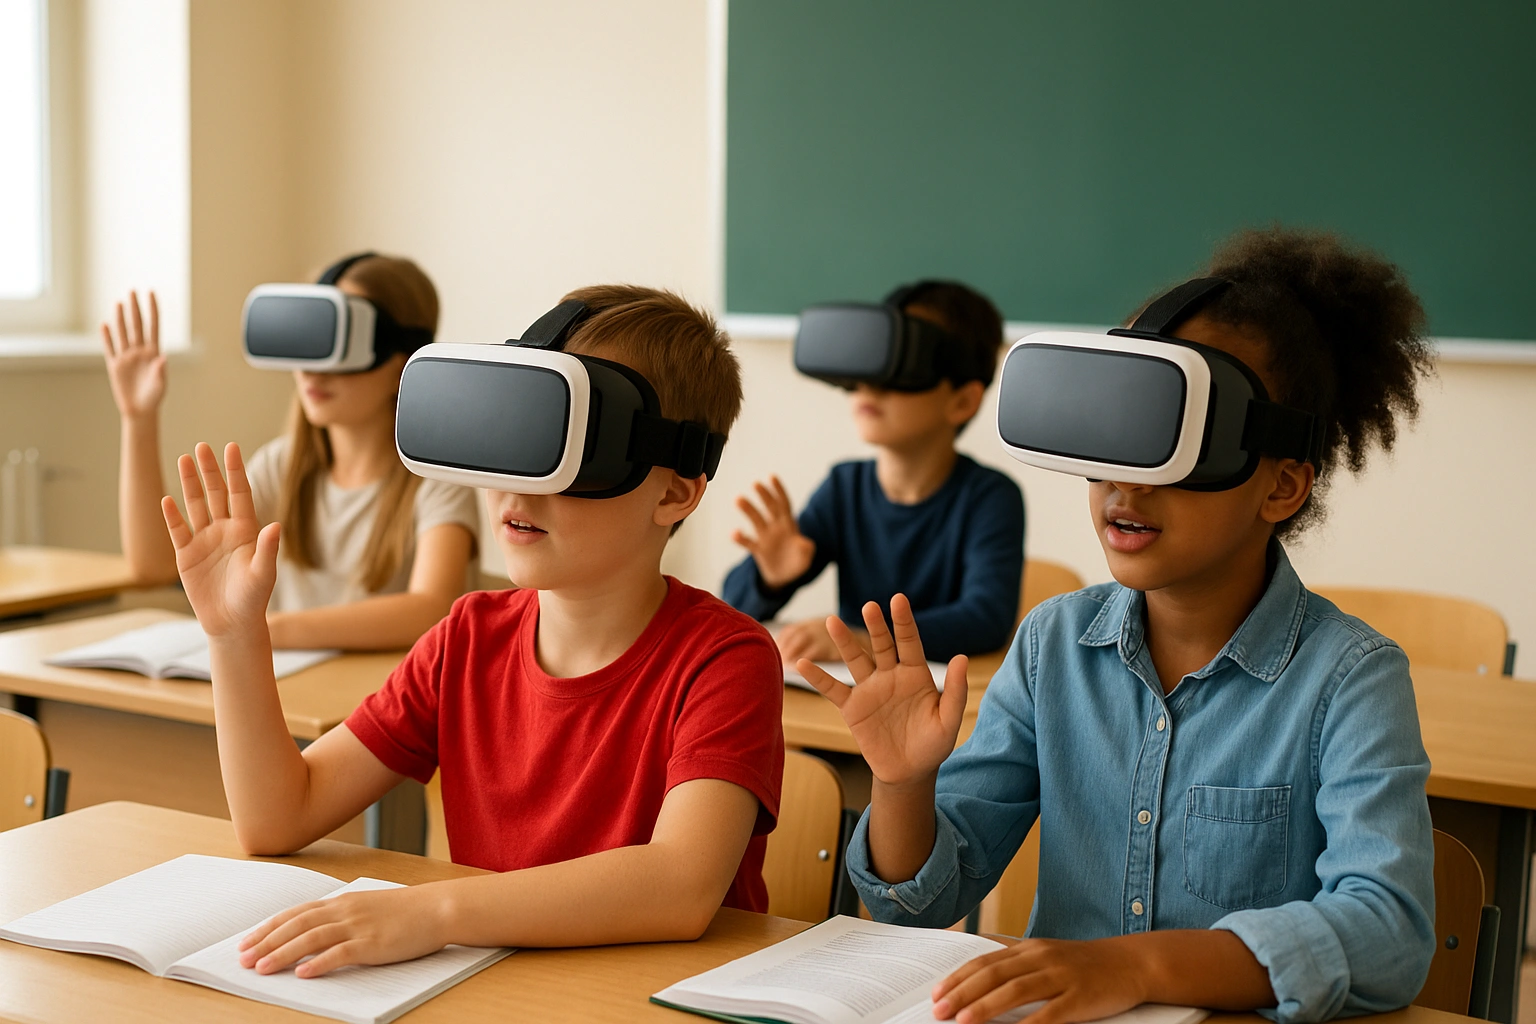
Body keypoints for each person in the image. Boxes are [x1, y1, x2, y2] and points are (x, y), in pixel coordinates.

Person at [802, 229, 1437, 1024]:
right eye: (1113, 433)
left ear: (1281, 486)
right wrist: (902, 785)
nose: (1126, 484)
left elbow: (1390, 932)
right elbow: (917, 906)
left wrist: (1135, 966)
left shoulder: (1350, 678)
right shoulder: (1053, 647)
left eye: (1176, 439)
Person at [158, 285, 784, 976]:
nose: (516, 489)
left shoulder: (725, 659)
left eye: (564, 455)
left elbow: (680, 887)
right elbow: (277, 817)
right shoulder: (467, 639)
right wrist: (235, 634)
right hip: (493, 989)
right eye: (506, 443)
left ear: (673, 491)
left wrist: (435, 912)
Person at [100, 254, 478, 650]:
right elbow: (153, 567)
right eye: (309, 343)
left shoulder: (437, 482)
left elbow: (432, 608)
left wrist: (265, 629)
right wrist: (137, 419)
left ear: (403, 361)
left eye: (341, 346)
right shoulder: (281, 468)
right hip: (287, 695)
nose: (314, 370)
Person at [722, 281, 1024, 664]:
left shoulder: (990, 497)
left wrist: (867, 640)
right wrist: (770, 577)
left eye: (905, 364)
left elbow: (985, 619)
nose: (871, 383)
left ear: (962, 401)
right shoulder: (845, 488)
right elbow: (734, 602)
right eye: (875, 355)